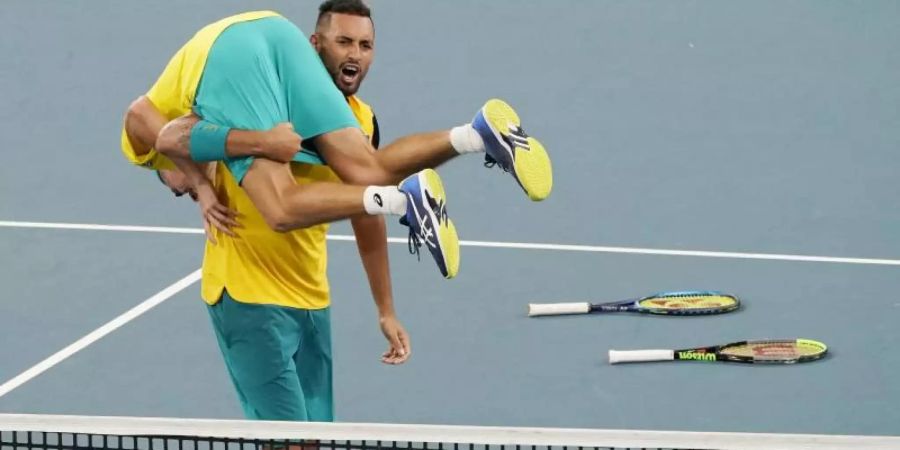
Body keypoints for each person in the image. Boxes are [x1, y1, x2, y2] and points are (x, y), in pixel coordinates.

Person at [120, 3, 551, 422]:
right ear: (320, 44)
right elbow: (365, 193)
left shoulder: (184, 119)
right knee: (371, 170)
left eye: (363, 44)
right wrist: (385, 309)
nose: (355, 54)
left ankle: (402, 200)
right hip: (277, 33)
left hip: (237, 49)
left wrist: (226, 164)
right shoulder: (350, 114)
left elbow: (164, 136)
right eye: (344, 42)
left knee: (280, 206)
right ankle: (474, 136)